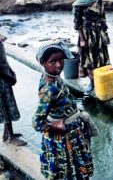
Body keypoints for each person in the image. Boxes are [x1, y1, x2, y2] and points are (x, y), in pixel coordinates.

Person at [33, 41, 94, 179]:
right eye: (52, 61)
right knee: (68, 170)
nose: (59, 65)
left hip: (70, 132)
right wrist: (55, 127)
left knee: (72, 169)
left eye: (61, 60)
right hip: (63, 136)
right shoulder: (49, 88)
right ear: (43, 63)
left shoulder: (54, 78)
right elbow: (37, 122)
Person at [73, 0, 110, 92]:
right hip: (86, 35)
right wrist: (82, 39)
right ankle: (92, 82)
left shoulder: (98, 0)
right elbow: (77, 23)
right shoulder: (79, 4)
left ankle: (102, 82)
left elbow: (103, 17)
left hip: (99, 34)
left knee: (101, 58)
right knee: (89, 60)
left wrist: (106, 34)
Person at [0, 34, 27, 146]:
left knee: (8, 104)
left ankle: (7, 133)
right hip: (2, 80)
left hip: (4, 78)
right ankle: (10, 137)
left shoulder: (0, 45)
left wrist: (12, 72)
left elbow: (4, 61)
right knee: (4, 107)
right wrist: (9, 77)